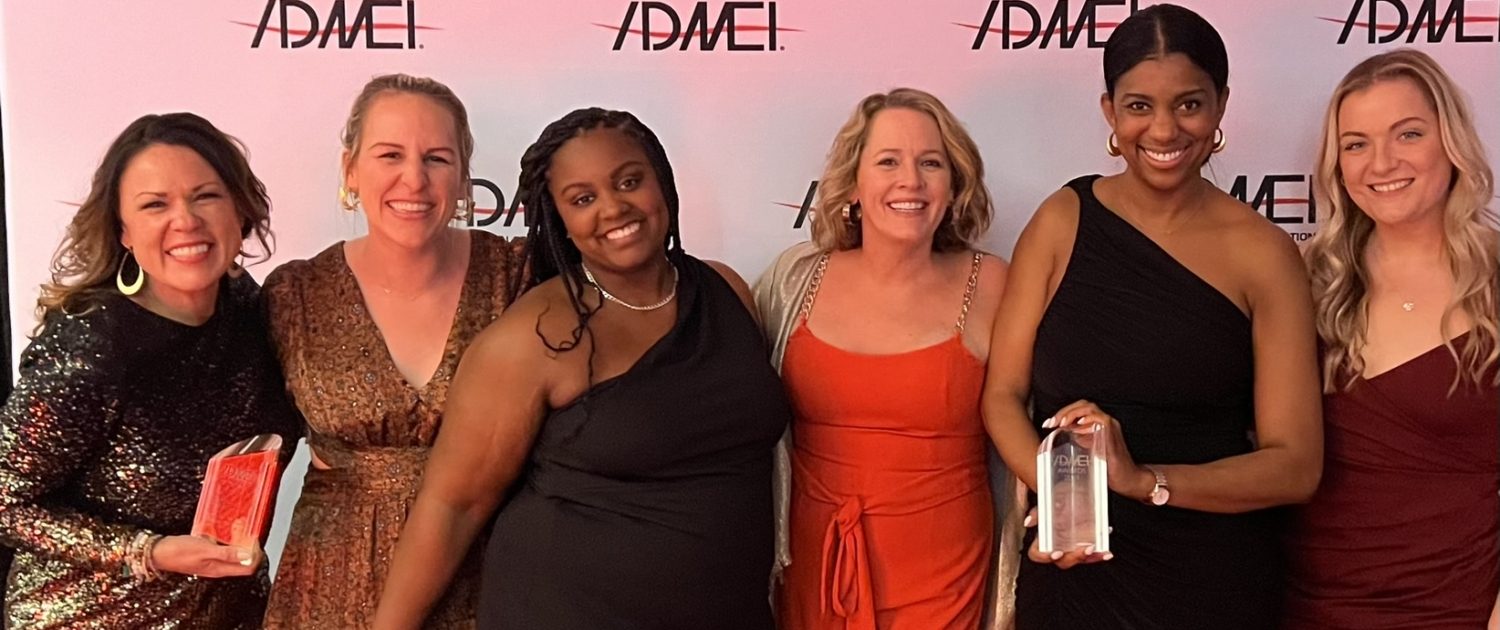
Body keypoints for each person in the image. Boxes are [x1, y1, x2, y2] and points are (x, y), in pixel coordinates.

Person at [371, 107, 789, 629]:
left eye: (629, 182)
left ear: (662, 183)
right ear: (560, 220)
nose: (614, 208)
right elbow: (453, 507)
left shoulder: (725, 290)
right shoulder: (533, 337)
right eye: (583, 199)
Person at [981, 4, 1323, 628]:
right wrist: (1062, 502)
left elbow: (1295, 465)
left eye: (1188, 104)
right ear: (1110, 111)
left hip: (1208, 579)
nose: (1164, 130)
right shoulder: (1063, 219)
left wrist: (1145, 481)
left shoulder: (1266, 254)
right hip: (1070, 570)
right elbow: (1002, 395)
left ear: (1220, 105)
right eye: (1140, 106)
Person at [0, 112, 299, 628]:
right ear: (124, 231)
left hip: (231, 615)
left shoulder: (255, 310)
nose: (184, 220)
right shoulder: (93, 349)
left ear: (239, 210)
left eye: (205, 196)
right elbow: (4, 499)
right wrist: (150, 551)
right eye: (154, 205)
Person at [261, 74, 522, 628]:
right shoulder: (294, 295)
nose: (414, 179)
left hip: (488, 576)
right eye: (389, 155)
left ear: (463, 177)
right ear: (350, 169)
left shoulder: (517, 275)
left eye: (436, 158)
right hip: (329, 590)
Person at [754, 88, 1016, 628]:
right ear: (854, 183)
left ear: (954, 185)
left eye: (931, 163)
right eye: (888, 161)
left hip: (945, 570)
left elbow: (1042, 410)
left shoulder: (993, 284)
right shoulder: (794, 279)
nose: (911, 182)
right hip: (813, 561)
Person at [1285, 48, 1500, 630]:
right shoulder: (1302, 279)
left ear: (1450, 141)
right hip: (1305, 606)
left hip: (1456, 609)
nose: (1381, 163)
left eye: (1407, 134)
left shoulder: (1496, 280)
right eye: (1356, 144)